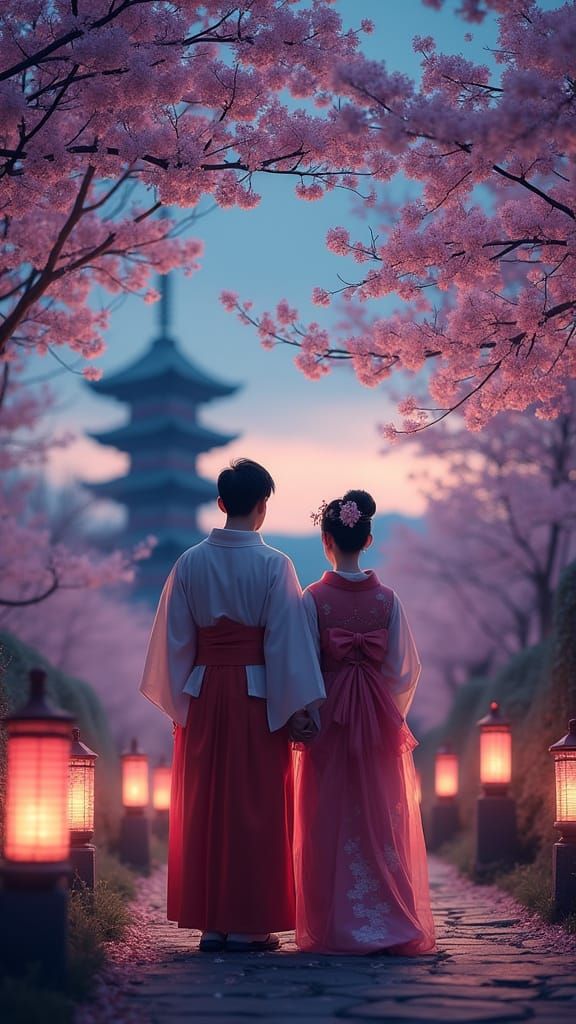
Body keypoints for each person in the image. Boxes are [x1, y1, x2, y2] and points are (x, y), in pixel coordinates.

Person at [140, 459, 324, 953]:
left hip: (203, 693)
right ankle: (248, 924)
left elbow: (175, 641)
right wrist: (297, 709)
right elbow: (285, 643)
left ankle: (212, 925)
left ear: (221, 504)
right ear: (262, 505)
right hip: (257, 696)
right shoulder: (274, 564)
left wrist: (184, 699)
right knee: (255, 805)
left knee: (206, 803)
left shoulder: (190, 563)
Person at [293, 489, 436, 955]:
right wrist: (388, 706)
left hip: (329, 712)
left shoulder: (312, 599)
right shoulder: (388, 600)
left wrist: (309, 713)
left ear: (326, 539)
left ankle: (336, 924)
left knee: (326, 814)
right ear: (368, 539)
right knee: (381, 812)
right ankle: (390, 915)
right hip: (376, 713)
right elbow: (405, 670)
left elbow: (301, 666)